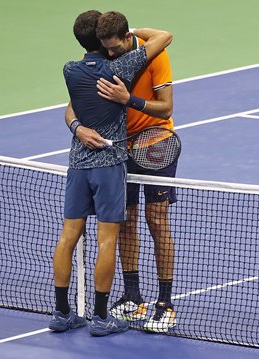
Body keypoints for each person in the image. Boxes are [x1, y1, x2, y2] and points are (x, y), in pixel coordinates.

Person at [49, 10, 172, 336]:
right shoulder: (119, 66)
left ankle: (62, 313)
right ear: (102, 44)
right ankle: (102, 317)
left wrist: (77, 127)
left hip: (79, 164)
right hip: (109, 164)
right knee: (108, 239)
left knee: (68, 237)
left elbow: (75, 103)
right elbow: (165, 36)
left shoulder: (71, 70)